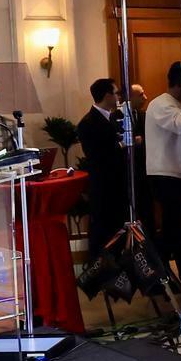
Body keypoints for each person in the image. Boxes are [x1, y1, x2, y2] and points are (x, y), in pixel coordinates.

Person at [144, 62, 181, 304]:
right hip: (165, 176)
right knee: (177, 230)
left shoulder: (174, 105)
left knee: (178, 230)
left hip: (178, 175)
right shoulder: (161, 104)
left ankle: (174, 278)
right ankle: (164, 277)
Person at [76, 78, 128, 254]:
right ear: (107, 95)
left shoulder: (112, 118)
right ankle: (102, 272)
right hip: (104, 186)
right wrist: (122, 145)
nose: (118, 97)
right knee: (103, 232)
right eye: (116, 93)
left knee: (117, 230)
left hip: (117, 185)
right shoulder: (88, 123)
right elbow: (100, 155)